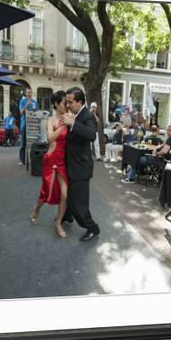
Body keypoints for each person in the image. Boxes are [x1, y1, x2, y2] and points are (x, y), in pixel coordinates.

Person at [60, 87, 101, 242]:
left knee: (80, 203)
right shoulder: (74, 114)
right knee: (69, 195)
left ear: (80, 102)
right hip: (71, 165)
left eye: (70, 102)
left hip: (81, 167)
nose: (67, 104)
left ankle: (92, 228)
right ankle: (68, 215)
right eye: (66, 101)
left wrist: (73, 123)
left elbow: (91, 135)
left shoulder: (88, 116)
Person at [30, 91, 70, 238]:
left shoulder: (70, 118)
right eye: (64, 103)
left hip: (63, 161)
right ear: (56, 104)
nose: (67, 105)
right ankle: (37, 208)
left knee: (65, 195)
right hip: (51, 159)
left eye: (67, 103)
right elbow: (50, 138)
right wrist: (62, 125)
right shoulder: (51, 120)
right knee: (46, 192)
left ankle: (58, 223)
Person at [18, 88, 38, 166]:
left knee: (32, 143)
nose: (29, 93)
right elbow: (21, 112)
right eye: (28, 92)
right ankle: (21, 159)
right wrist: (27, 105)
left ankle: (32, 159)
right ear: (26, 93)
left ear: (32, 93)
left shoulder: (35, 102)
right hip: (24, 124)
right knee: (23, 143)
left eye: (30, 92)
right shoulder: (22, 101)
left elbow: (37, 113)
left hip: (33, 125)